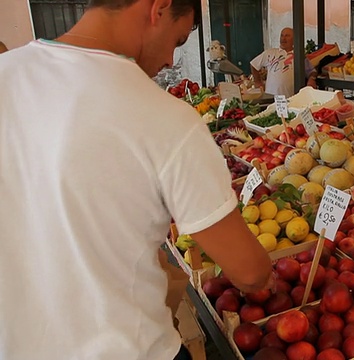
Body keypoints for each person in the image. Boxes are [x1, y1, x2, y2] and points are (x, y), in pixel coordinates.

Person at [0, 0, 274, 359]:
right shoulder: (165, 118)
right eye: (177, 41)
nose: (171, 61)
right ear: (157, 9)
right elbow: (251, 273)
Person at [250, 27, 317, 97]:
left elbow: (312, 71)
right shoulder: (270, 53)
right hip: (271, 98)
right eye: (282, 35)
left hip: (291, 98)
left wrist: (312, 79)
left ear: (294, 39)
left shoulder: (299, 56)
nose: (283, 38)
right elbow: (253, 64)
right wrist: (258, 82)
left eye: (287, 36)